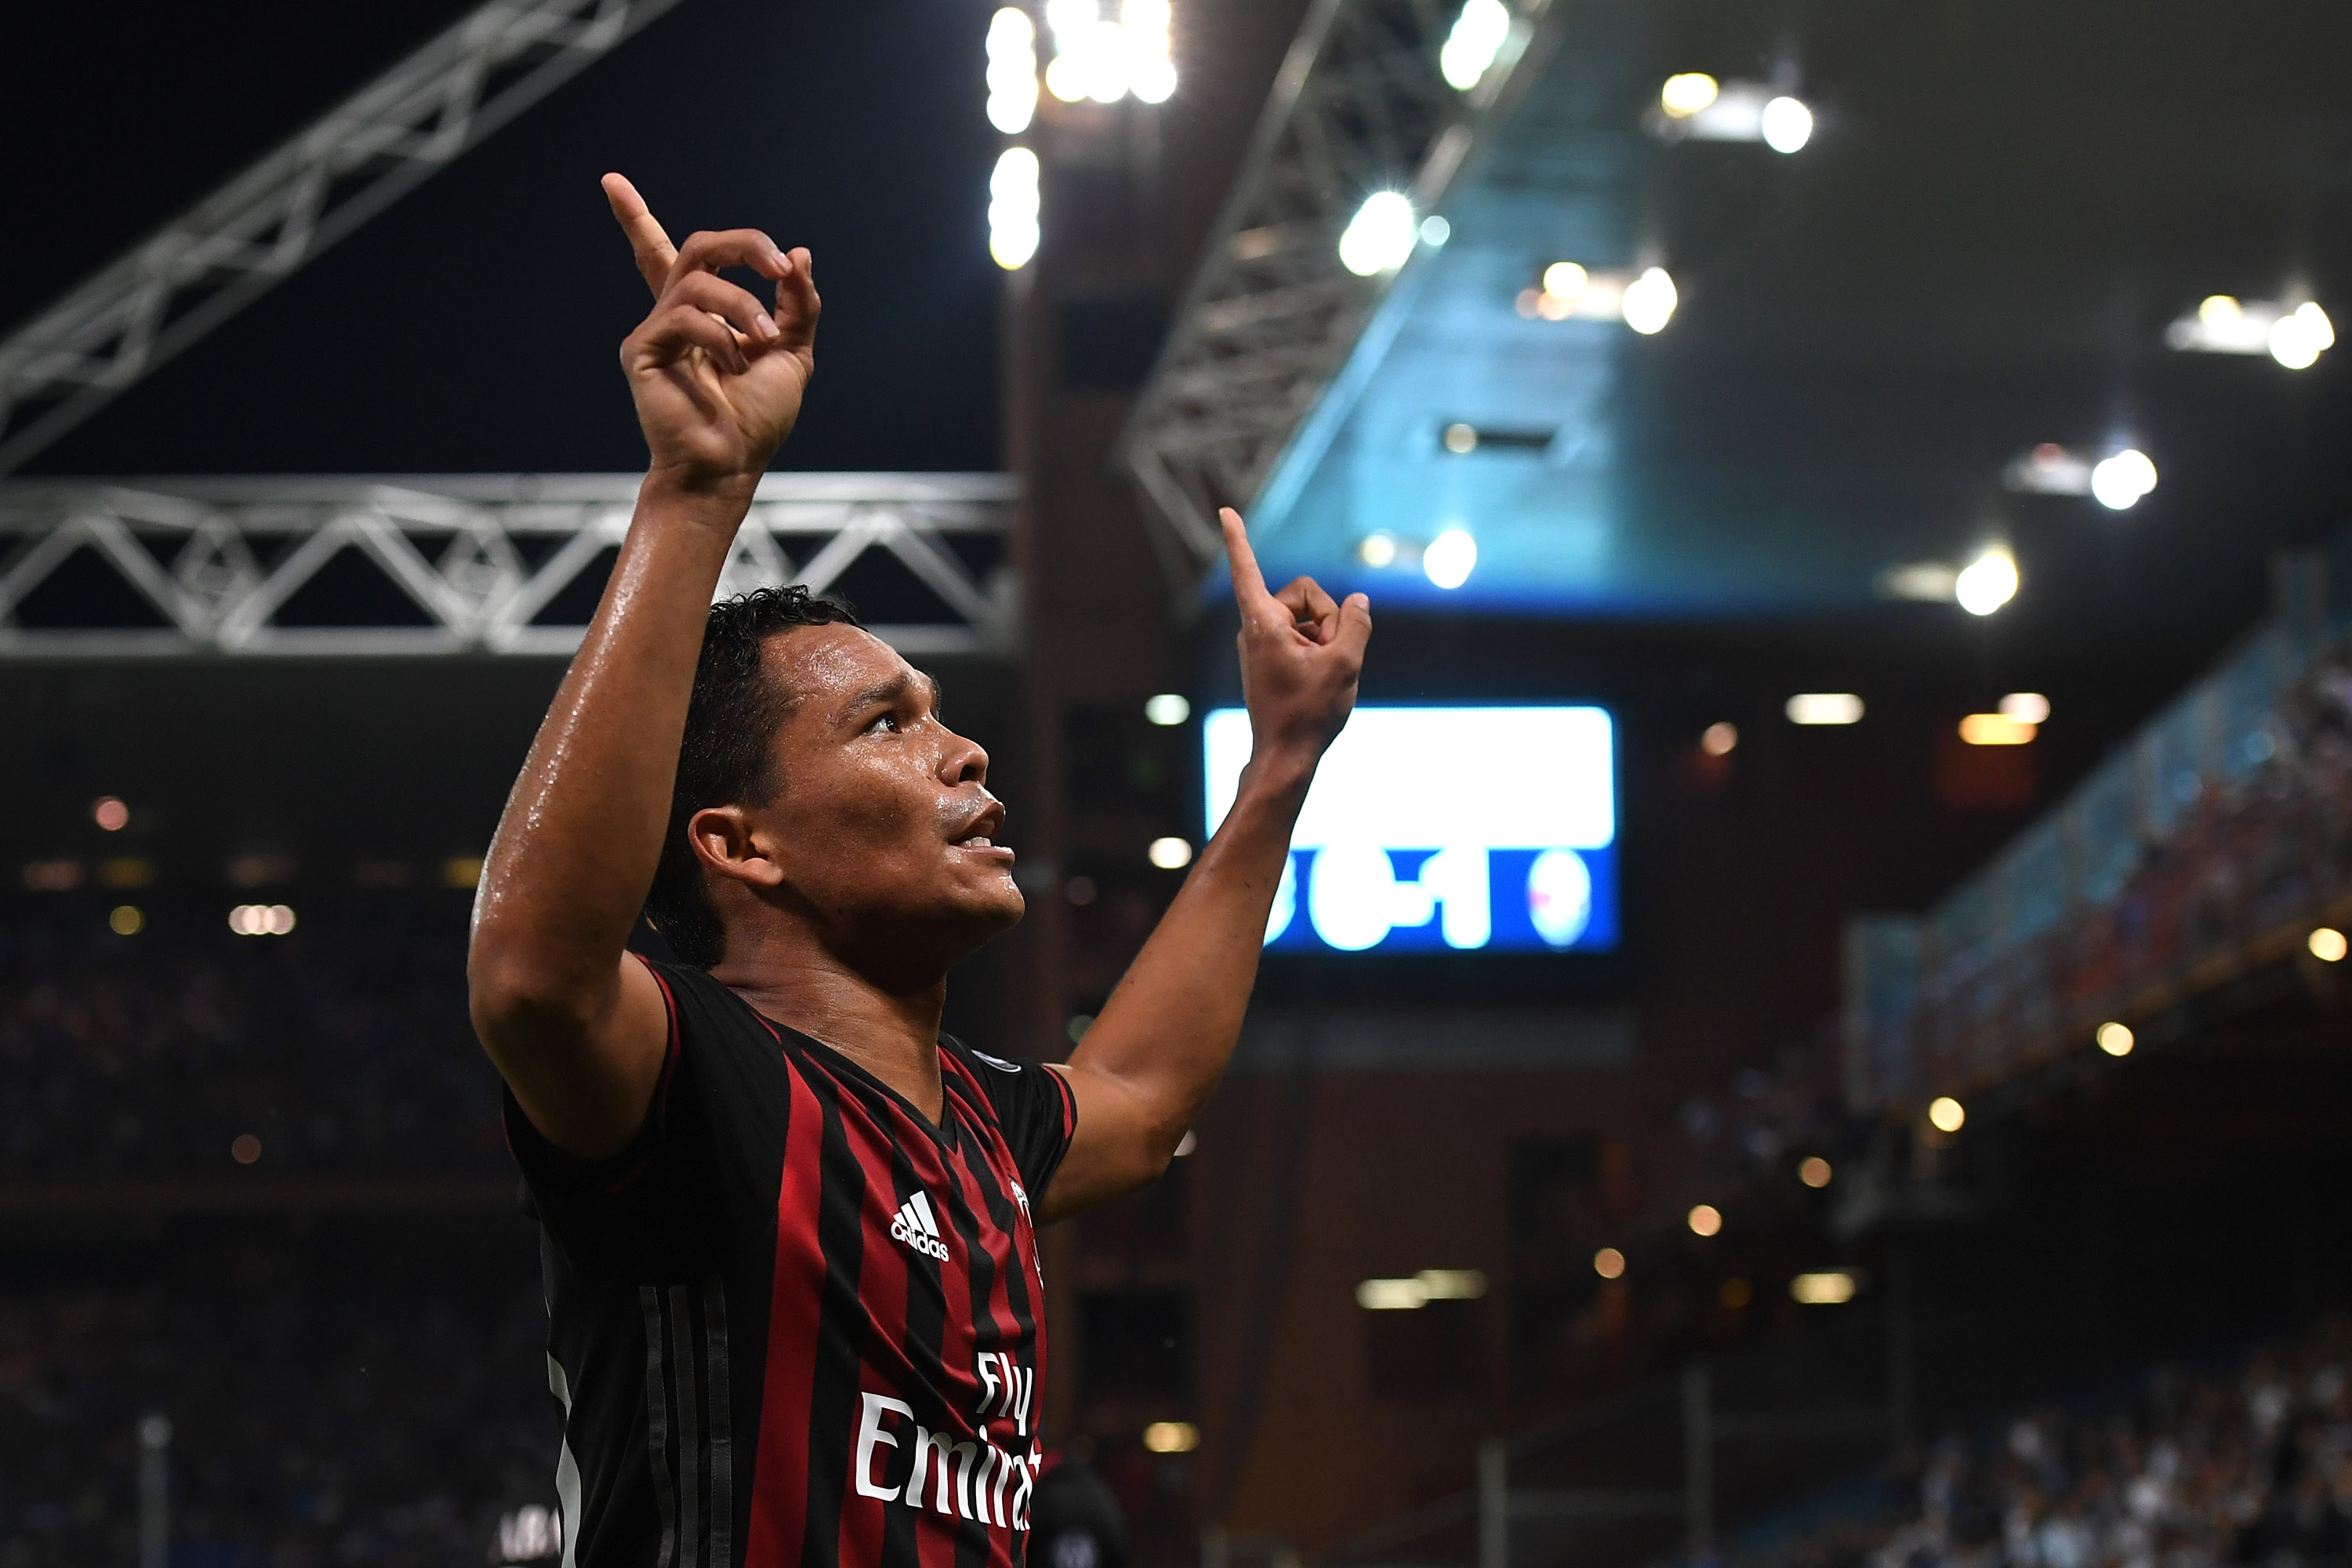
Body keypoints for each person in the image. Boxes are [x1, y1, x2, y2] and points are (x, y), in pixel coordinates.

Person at [465, 175, 1373, 1568]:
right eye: (887, 723)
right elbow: (532, 978)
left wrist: (1281, 767)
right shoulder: (706, 1086)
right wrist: (697, 492)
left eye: (942, 713)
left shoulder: (975, 1131)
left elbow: (1133, 1099)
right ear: (738, 843)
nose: (962, 754)